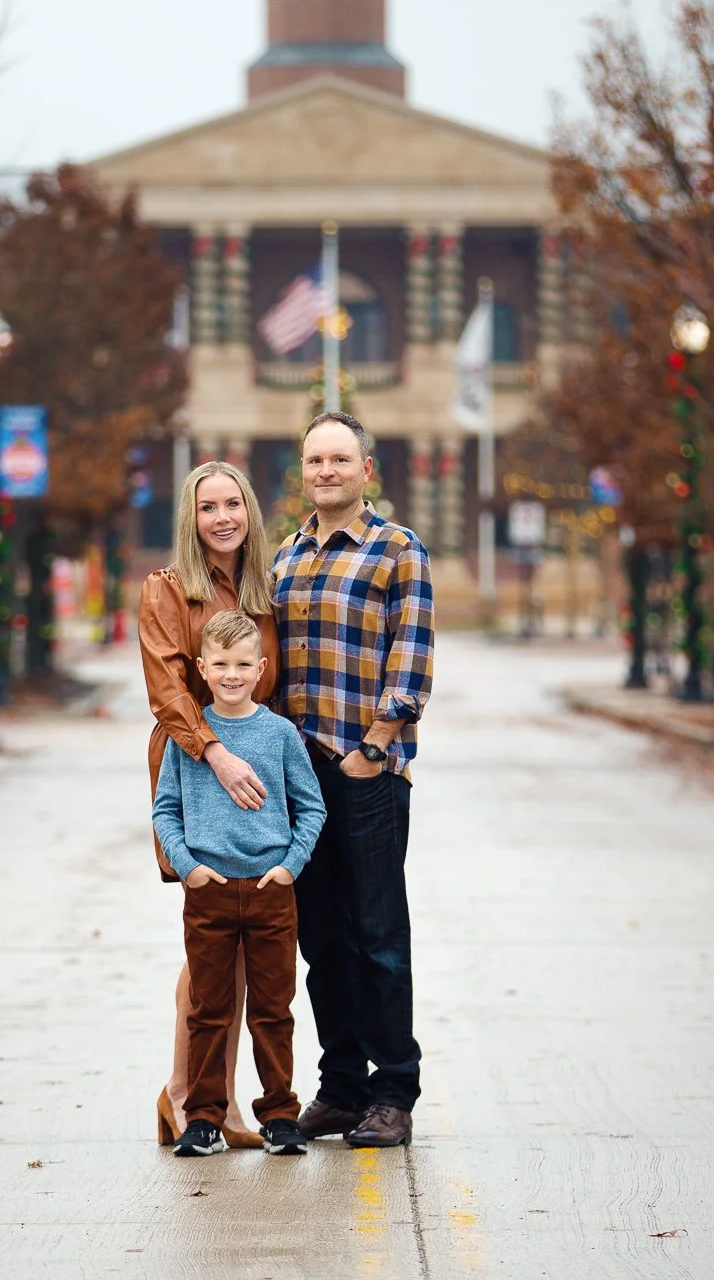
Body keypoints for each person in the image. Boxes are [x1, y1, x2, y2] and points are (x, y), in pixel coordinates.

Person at [275, 411, 435, 1149]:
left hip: (367, 773)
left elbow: (413, 658)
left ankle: (393, 1090)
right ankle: (340, 1088)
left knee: (378, 935)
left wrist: (374, 746)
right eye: (315, 460)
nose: (327, 471)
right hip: (299, 784)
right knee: (322, 941)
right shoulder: (286, 558)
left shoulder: (398, 552)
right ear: (303, 472)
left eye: (340, 458)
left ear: (365, 470)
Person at [137, 461, 280, 1150]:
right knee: (210, 942)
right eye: (207, 507)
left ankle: (197, 1097)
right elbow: (167, 693)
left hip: (255, 786)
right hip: (197, 774)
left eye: (233, 503)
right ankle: (192, 1094)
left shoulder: (263, 591)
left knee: (245, 948)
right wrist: (215, 754)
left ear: (248, 511)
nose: (222, 517)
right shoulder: (166, 591)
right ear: (190, 521)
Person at [151, 610, 326, 1156]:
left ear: (261, 668)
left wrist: (288, 868)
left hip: (271, 892)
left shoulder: (280, 735)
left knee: (273, 1010)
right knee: (209, 1008)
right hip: (209, 893)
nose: (232, 674)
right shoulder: (194, 738)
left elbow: (311, 808)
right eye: (221, 663)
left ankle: (279, 1115)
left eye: (243, 664)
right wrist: (190, 868)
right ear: (201, 668)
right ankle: (203, 1118)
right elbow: (165, 811)